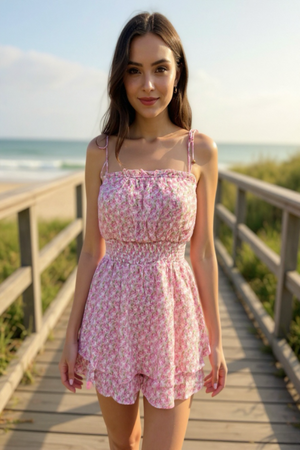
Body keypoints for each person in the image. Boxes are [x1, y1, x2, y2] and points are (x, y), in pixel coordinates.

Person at [58, 11, 227, 450]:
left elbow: (204, 254)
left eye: (160, 69)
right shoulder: (102, 151)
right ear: (121, 77)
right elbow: (90, 251)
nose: (148, 85)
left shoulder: (201, 150)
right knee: (122, 443)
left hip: (175, 318)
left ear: (178, 72)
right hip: (110, 317)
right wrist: (71, 335)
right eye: (134, 71)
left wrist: (217, 341)